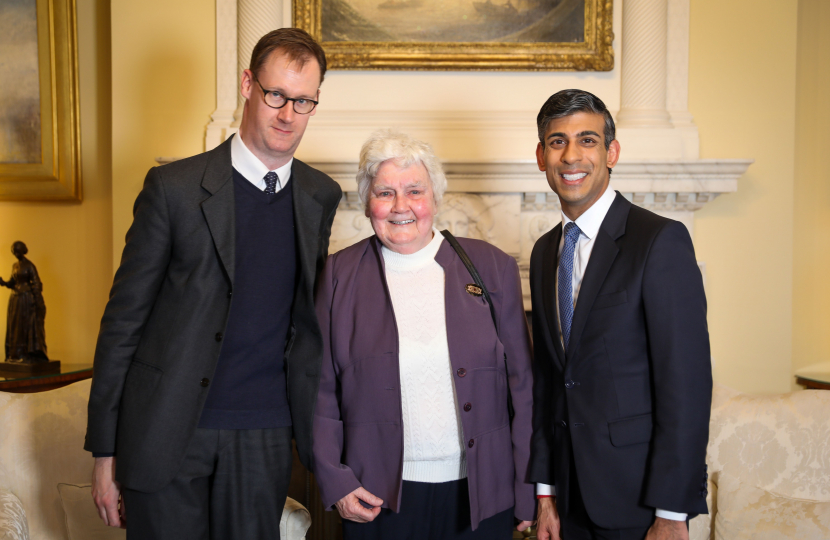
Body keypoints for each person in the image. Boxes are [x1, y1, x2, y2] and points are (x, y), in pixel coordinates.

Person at [84, 28, 342, 539]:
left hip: (265, 433)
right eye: (276, 96)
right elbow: (123, 324)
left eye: (304, 101)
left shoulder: (320, 195)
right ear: (248, 84)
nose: (288, 114)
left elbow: (303, 324)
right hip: (166, 428)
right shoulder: (172, 189)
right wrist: (104, 452)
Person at [312, 130, 536, 540]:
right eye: (385, 193)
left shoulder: (491, 268)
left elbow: (523, 389)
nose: (401, 207)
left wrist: (527, 489)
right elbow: (319, 390)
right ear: (367, 202)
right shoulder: (338, 275)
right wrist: (335, 480)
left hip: (482, 497)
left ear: (434, 197)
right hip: (375, 500)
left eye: (415, 191)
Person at [528, 89, 712, 540]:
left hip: (640, 503)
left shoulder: (659, 241)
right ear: (540, 156)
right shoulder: (544, 251)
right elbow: (551, 382)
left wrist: (672, 512)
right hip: (567, 503)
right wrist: (546, 492)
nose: (572, 155)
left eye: (587, 140)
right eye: (557, 142)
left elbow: (685, 384)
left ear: (611, 153)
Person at [0, 241, 48, 362]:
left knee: (24, 325)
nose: (16, 254)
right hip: (15, 299)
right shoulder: (15, 265)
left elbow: (36, 283)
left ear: (23, 251)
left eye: (17, 251)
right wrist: (4, 283)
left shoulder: (29, 266)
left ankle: (26, 353)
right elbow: (12, 282)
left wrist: (37, 301)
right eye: (14, 251)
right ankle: (15, 354)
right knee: (15, 327)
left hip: (26, 299)